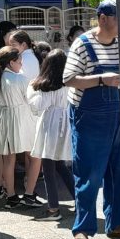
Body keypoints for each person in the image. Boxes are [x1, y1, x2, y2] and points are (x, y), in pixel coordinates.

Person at [63, 0, 120, 239]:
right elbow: (68, 79)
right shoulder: (82, 44)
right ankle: (82, 229)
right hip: (90, 116)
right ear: (103, 18)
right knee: (89, 174)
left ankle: (118, 223)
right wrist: (101, 79)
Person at [0, 47, 43, 208]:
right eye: (19, 62)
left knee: (8, 159)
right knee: (34, 156)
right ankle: (29, 194)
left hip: (3, 119)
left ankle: (11, 195)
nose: (21, 65)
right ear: (11, 62)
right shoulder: (21, 80)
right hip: (22, 119)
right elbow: (32, 102)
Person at [28, 49, 73, 222]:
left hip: (50, 124)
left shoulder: (45, 86)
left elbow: (38, 106)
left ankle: (53, 208)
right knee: (59, 164)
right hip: (65, 123)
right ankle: (80, 200)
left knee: (48, 166)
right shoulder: (69, 83)